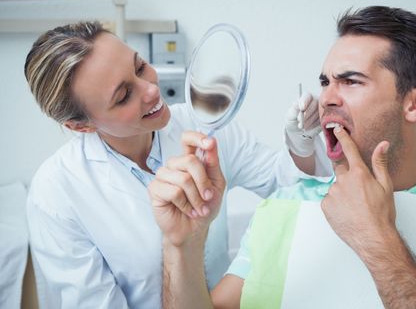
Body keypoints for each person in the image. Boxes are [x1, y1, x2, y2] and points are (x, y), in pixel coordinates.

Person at [152, 6, 416, 308]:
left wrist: (376, 238)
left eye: (351, 81)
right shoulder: (282, 208)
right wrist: (181, 245)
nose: (328, 98)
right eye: (325, 81)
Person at [24, 21, 331, 308]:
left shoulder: (205, 123)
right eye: (124, 95)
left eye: (140, 67)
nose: (151, 89)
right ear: (82, 126)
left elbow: (292, 190)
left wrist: (301, 143)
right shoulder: (56, 194)